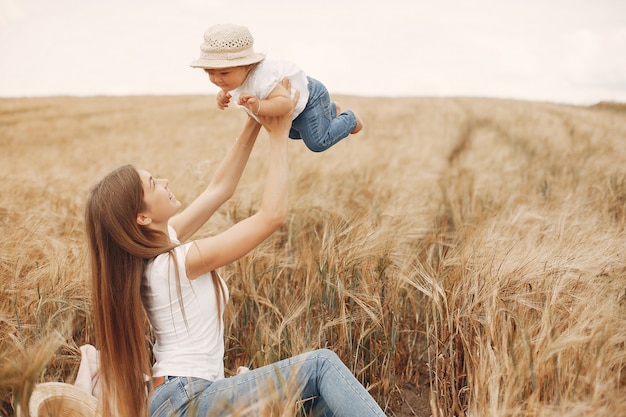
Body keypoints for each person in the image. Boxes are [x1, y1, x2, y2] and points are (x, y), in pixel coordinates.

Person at [85, 80, 386, 417]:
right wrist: (278, 137)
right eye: (154, 184)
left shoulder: (153, 255)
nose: (165, 182)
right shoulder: (176, 263)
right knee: (320, 366)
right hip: (186, 399)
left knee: (316, 400)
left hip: (177, 398)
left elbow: (220, 189)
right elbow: (271, 218)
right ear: (142, 217)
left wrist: (254, 119)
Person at [190, 23, 364, 153]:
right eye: (209, 73)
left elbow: (285, 103)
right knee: (293, 134)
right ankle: (331, 111)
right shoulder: (236, 77)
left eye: (224, 73)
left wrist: (259, 106)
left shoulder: (261, 77)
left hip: (310, 97)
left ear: (248, 66)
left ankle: (350, 119)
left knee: (317, 143)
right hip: (299, 107)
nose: (216, 79)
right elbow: (233, 86)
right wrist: (223, 94)